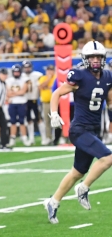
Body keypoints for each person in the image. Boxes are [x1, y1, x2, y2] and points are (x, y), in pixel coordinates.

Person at [44, 40, 112, 224]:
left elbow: (111, 101)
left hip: (94, 129)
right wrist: (54, 114)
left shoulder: (107, 76)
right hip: (79, 129)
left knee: (78, 171)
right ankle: (83, 188)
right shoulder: (79, 75)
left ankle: (53, 201)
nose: (96, 60)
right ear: (86, 58)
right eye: (92, 57)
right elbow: (57, 93)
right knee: (108, 158)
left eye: (98, 57)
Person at [6, 64, 30, 146]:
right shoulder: (9, 80)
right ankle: (12, 138)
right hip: (12, 103)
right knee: (12, 121)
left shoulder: (24, 79)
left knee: (22, 121)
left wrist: (13, 93)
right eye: (15, 72)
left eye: (17, 72)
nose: (16, 73)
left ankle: (24, 138)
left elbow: (23, 92)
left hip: (22, 103)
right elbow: (8, 93)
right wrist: (17, 93)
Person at [21, 60, 45, 145]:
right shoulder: (21, 76)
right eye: (26, 67)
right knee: (28, 119)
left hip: (35, 99)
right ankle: (31, 138)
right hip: (25, 100)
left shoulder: (37, 75)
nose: (27, 69)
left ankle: (44, 137)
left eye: (28, 67)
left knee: (39, 118)